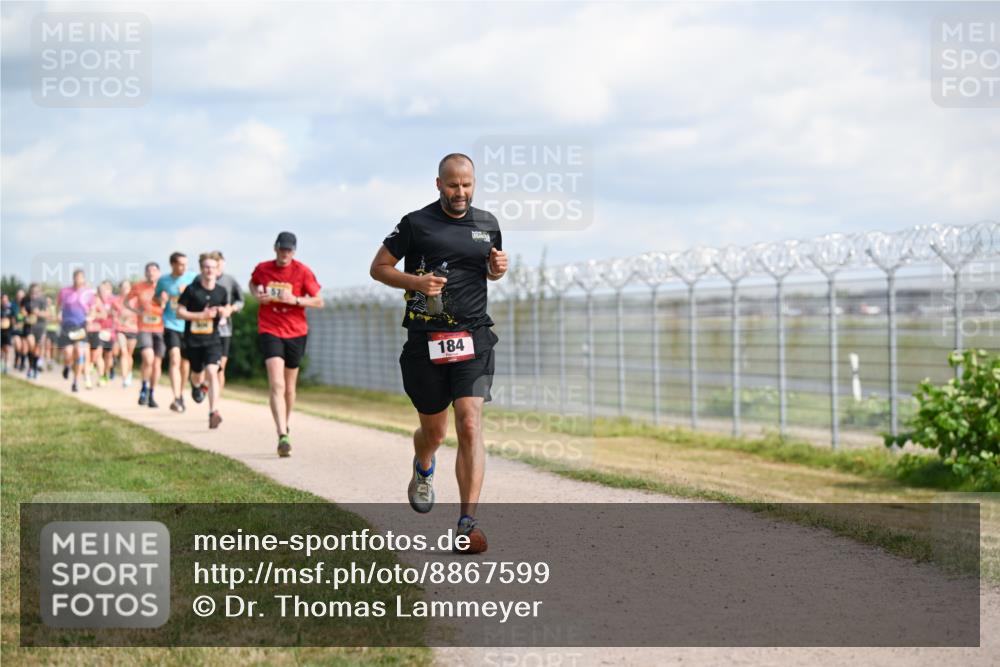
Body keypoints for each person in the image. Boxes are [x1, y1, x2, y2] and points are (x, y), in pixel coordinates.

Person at [369, 153, 508, 553]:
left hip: (474, 337)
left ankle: (467, 523)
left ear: (474, 184)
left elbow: (488, 271)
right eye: (452, 185)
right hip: (425, 340)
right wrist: (416, 281)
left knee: (469, 423)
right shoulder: (416, 223)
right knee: (434, 432)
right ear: (438, 184)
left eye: (466, 185)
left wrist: (498, 267)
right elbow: (378, 267)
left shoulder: (488, 224)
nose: (460, 192)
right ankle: (424, 466)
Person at [249, 232, 323, 456]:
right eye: (282, 249)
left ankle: (285, 423)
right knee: (277, 384)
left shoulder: (302, 271)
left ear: (294, 251)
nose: (285, 253)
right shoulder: (263, 268)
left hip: (296, 331)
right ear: (275, 248)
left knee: (290, 388)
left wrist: (296, 300)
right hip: (270, 328)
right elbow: (253, 284)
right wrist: (257, 295)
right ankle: (282, 434)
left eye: (289, 250)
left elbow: (319, 301)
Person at [177, 253, 233, 429]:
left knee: (212, 371)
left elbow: (226, 308)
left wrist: (224, 312)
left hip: (213, 340)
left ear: (217, 270)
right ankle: (195, 386)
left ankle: (213, 412)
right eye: (206, 267)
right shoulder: (192, 290)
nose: (209, 270)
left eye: (213, 267)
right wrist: (200, 315)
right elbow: (179, 312)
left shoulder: (221, 291)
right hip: (193, 340)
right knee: (197, 374)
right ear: (201, 269)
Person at [155, 252, 197, 413]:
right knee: (174, 359)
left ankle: (181, 394)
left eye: (186, 264)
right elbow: (157, 298)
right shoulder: (164, 281)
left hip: (188, 325)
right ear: (172, 264)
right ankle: (176, 397)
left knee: (185, 365)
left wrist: (188, 292)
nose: (184, 267)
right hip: (170, 324)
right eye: (181, 264)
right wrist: (161, 299)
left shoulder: (193, 278)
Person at [128, 262, 165, 408]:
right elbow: (126, 302)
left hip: (160, 329)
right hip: (144, 328)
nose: (151, 273)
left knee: (156, 364)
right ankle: (143, 387)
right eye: (148, 271)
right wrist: (137, 312)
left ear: (159, 273)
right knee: (148, 359)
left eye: (154, 271)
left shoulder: (164, 287)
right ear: (145, 273)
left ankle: (152, 393)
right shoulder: (138, 286)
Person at [57, 269, 96, 393]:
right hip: (67, 326)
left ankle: (75, 382)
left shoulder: (88, 293)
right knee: (68, 353)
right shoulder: (64, 291)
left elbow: (93, 309)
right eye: (76, 277)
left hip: (81, 326)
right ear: (73, 278)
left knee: (80, 353)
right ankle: (67, 365)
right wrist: (58, 314)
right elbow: (58, 306)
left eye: (80, 277)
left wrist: (90, 318)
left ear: (83, 279)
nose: (78, 280)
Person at [213, 251, 244, 390]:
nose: (218, 267)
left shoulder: (230, 280)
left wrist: (231, 309)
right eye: (215, 264)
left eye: (220, 263)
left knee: (221, 367)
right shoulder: (200, 280)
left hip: (224, 329)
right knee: (204, 365)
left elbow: (241, 301)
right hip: (205, 329)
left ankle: (215, 402)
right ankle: (201, 387)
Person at [113, 279, 138, 387]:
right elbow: (114, 316)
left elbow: (140, 313)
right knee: (123, 352)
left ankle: (129, 373)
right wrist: (120, 320)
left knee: (129, 354)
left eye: (127, 287)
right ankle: (124, 377)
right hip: (121, 330)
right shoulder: (116, 301)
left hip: (133, 330)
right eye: (123, 287)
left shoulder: (136, 301)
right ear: (120, 289)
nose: (125, 289)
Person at [20, 283, 48, 379]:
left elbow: (47, 314)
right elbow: (22, 309)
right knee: (30, 343)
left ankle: (34, 368)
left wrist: (38, 313)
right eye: (32, 291)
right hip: (28, 325)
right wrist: (25, 314)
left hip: (39, 326)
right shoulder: (25, 299)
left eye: (36, 292)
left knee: (37, 349)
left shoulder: (43, 301)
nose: (34, 293)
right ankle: (31, 367)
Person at [11, 288, 24, 371]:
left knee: (23, 347)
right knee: (18, 345)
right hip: (16, 330)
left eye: (21, 296)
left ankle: (22, 363)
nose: (20, 298)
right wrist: (15, 324)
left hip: (24, 330)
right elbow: (12, 317)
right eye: (18, 296)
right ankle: (16, 360)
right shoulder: (13, 305)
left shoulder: (26, 305)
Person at [1, 294, 13, 374]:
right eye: (3, 299)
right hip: (0, 331)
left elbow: (14, 318)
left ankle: (6, 366)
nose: (5, 301)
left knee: (7, 349)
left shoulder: (10, 308)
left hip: (8, 331)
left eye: (6, 299)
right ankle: (1, 365)